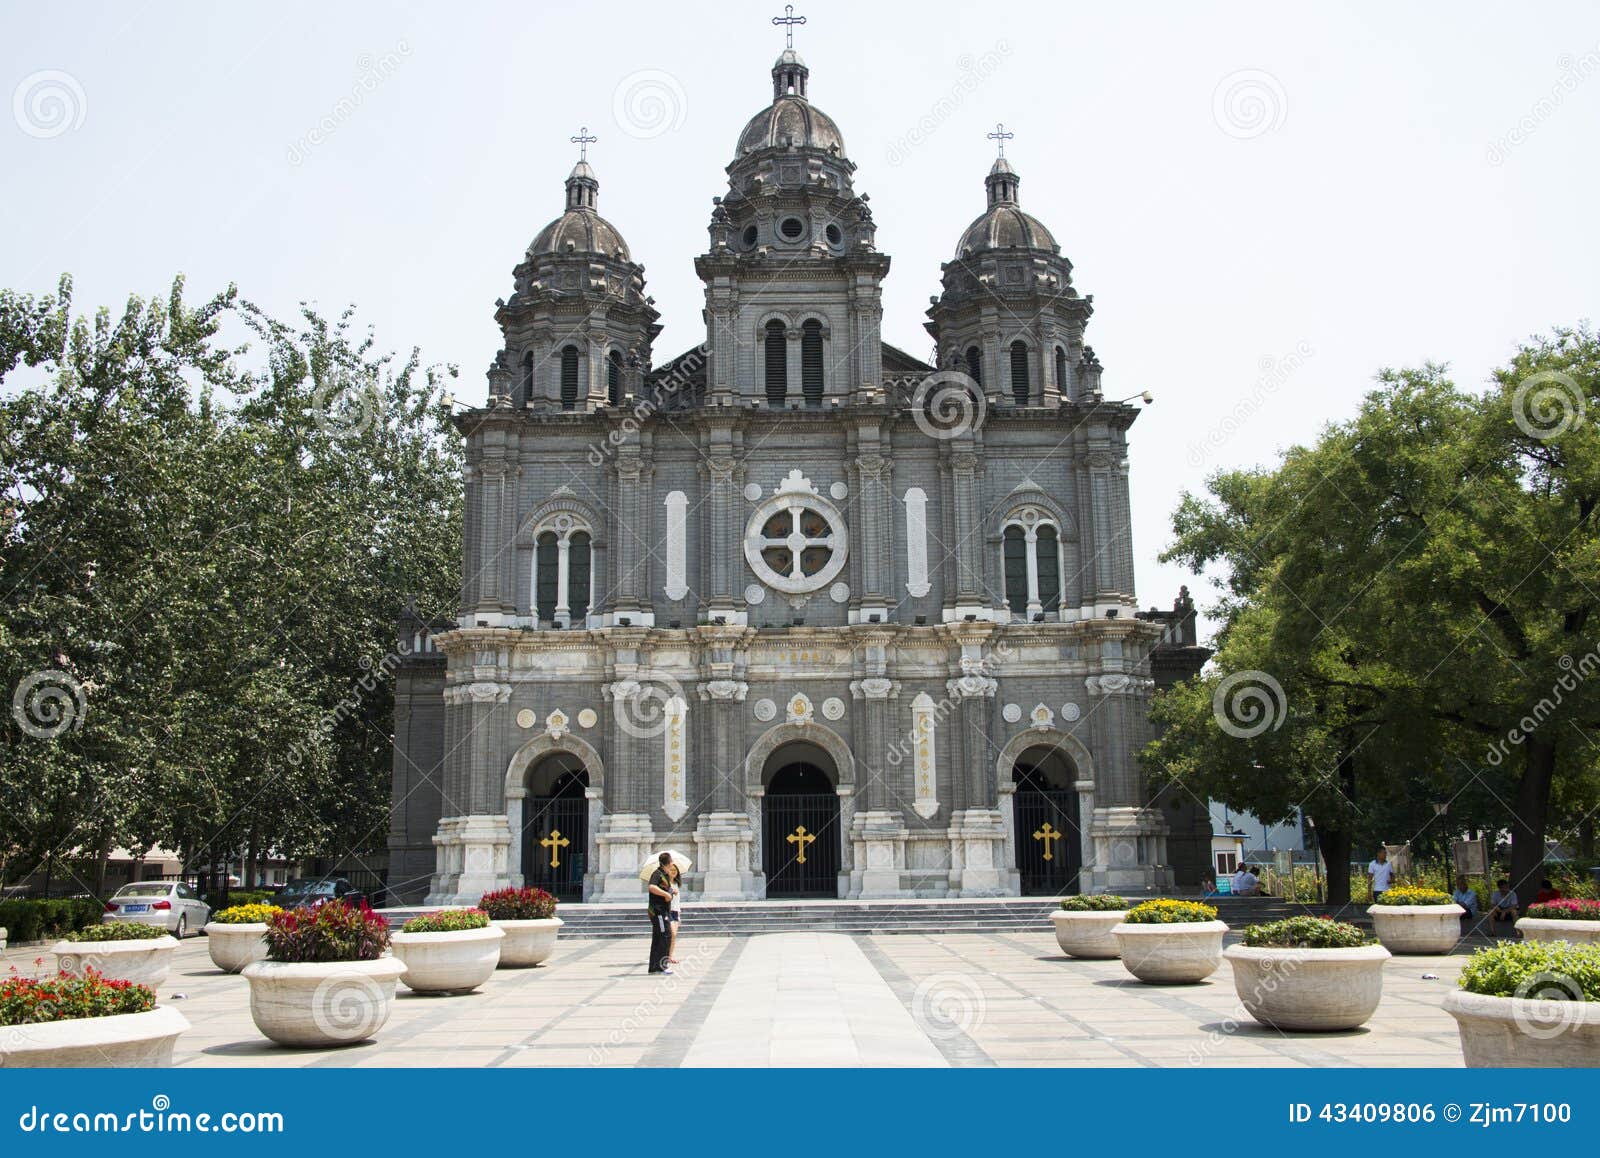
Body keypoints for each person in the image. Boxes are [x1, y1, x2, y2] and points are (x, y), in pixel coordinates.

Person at [646, 852, 674, 975]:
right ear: (668, 863)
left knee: (658, 937)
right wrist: (666, 894)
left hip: (663, 910)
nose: (673, 864)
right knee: (665, 935)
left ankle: (654, 967)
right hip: (658, 911)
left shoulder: (665, 875)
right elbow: (652, 887)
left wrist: (670, 892)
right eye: (671, 862)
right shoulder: (657, 874)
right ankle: (661, 966)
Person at [667, 859, 683, 964]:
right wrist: (671, 892)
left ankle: (670, 956)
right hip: (668, 910)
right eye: (671, 869)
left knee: (674, 934)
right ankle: (664, 954)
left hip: (675, 911)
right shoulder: (666, 883)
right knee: (672, 933)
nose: (673, 871)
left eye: (675, 870)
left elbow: (678, 901)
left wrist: (679, 914)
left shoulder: (676, 883)